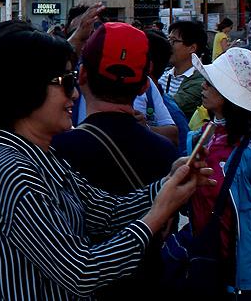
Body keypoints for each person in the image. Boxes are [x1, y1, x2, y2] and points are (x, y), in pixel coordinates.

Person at [0, 25, 214, 300]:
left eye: (73, 79)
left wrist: (169, 183)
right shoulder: (16, 174)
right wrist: (158, 213)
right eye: (64, 81)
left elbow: (106, 211)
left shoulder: (42, 158)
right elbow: (81, 271)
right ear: (28, 88)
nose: (73, 94)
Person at [53, 23, 178, 299]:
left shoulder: (55, 151)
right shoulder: (168, 155)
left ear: (82, 75)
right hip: (147, 284)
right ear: (145, 84)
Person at [183, 48, 251, 297]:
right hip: (206, 262)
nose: (203, 86)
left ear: (229, 95)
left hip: (247, 279)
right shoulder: (199, 139)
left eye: (212, 82)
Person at [158, 20, 208, 120]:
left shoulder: (201, 82)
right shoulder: (164, 74)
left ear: (192, 48)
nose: (168, 45)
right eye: (168, 40)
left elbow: (168, 107)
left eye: (174, 41)